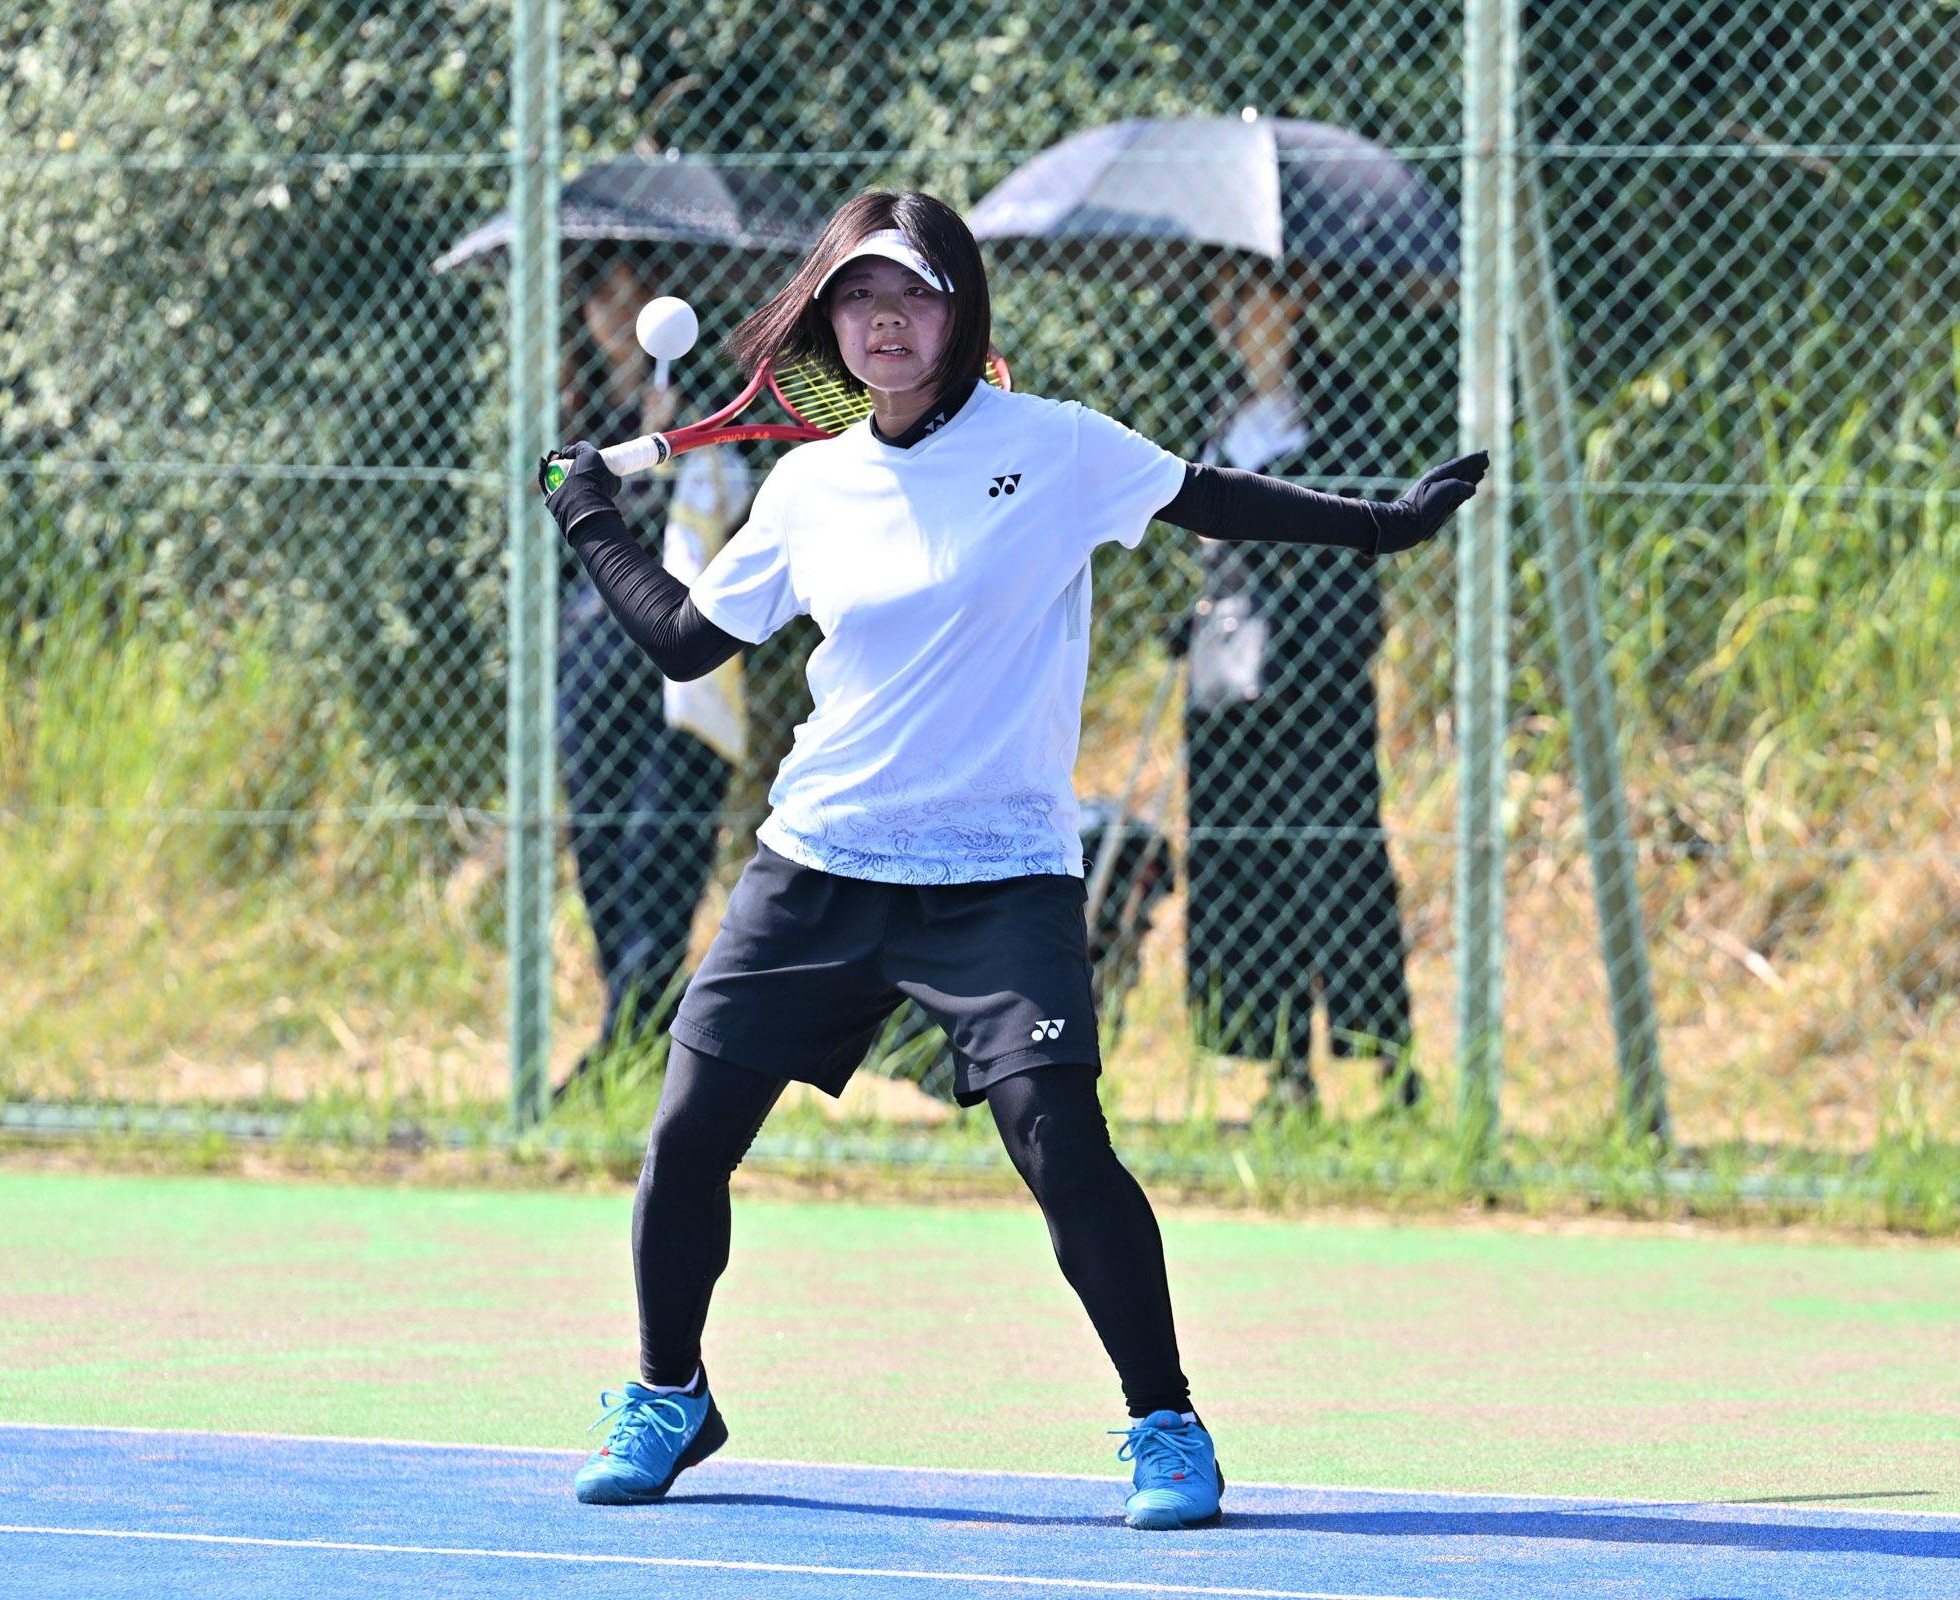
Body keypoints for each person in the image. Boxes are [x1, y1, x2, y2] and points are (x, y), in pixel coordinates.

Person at [537, 191, 1484, 1527]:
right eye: (859, 296)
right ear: (828, 320)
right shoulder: (810, 485)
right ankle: (668, 1393)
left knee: (1060, 1141)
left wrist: (1385, 523)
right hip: (819, 862)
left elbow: (1214, 499)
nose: (884, 321)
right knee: (687, 1135)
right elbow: (690, 641)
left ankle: (1166, 1422)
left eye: (911, 294)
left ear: (959, 309)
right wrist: (591, 519)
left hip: (997, 875)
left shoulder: (1056, 447)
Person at [1183, 260, 1417, 1112]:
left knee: (1338, 859)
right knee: (1249, 864)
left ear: (1295, 305)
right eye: (1228, 302)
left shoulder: (1341, 410)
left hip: (1319, 675)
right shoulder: (1216, 414)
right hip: (1232, 679)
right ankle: (1282, 1068)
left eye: (1258, 300)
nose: (1241, 319)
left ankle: (1389, 1063)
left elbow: (1363, 529)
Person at [555, 252, 739, 1091]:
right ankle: (630, 1036)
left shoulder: (703, 412)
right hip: (590, 662)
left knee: (655, 849)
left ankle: (626, 1048)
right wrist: (622, 453)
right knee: (598, 851)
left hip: (676, 673)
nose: (615, 315)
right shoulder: (572, 416)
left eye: (630, 297)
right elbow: (559, 497)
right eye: (601, 297)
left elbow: (725, 511)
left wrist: (675, 439)